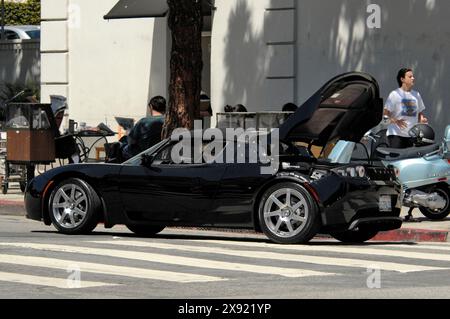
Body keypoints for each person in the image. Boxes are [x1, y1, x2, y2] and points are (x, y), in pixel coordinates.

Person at [384, 68, 428, 148]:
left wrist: (422, 120)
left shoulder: (416, 95)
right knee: (397, 160)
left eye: (413, 76)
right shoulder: (394, 94)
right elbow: (385, 117)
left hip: (412, 135)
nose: (413, 78)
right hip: (396, 135)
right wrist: (395, 121)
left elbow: (420, 113)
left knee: (410, 160)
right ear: (402, 79)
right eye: (410, 76)